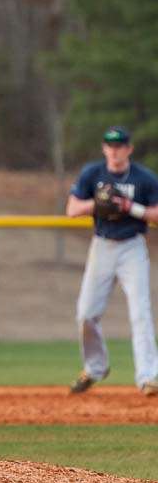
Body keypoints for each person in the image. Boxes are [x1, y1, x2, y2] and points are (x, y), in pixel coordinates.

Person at [66, 126, 158, 396]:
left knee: (140, 312)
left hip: (132, 247)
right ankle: (95, 368)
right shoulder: (92, 174)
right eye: (110, 145)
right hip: (102, 246)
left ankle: (149, 376)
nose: (115, 150)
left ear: (129, 149)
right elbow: (72, 210)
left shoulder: (144, 178)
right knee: (86, 313)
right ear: (104, 148)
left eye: (120, 145)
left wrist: (131, 207)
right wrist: (98, 204)